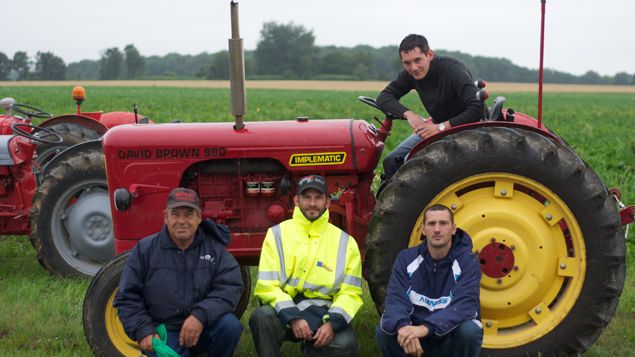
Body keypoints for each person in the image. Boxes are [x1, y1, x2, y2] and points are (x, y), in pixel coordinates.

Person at [114, 187, 243, 357]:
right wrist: (143, 330)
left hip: (202, 325)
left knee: (230, 325)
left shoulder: (215, 250)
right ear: (166, 217)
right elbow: (126, 297)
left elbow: (230, 287)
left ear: (199, 217)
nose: (182, 221)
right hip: (164, 331)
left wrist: (200, 315)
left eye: (188, 214)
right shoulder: (144, 250)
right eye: (175, 214)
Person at [249, 174, 363, 356]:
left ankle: (314, 346)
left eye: (318, 198)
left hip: (324, 311)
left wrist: (332, 324)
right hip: (285, 310)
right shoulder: (276, 234)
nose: (312, 203)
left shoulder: (346, 242)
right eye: (307, 197)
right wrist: (293, 317)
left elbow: (351, 293)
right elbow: (267, 286)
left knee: (344, 344)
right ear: (296, 200)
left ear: (327, 202)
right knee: (262, 317)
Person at [375, 204, 482, 357]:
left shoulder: (468, 261)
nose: (437, 229)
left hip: (449, 338)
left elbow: (465, 305)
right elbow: (395, 299)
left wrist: (425, 328)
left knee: (470, 330)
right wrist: (404, 327)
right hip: (417, 342)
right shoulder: (406, 258)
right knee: (385, 330)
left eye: (443, 223)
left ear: (453, 229)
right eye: (431, 224)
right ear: (424, 230)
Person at [377, 34, 481, 180]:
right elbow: (384, 97)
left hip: (465, 128)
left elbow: (477, 108)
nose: (414, 68)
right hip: (437, 128)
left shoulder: (452, 70)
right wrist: (409, 115)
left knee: (409, 164)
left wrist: (440, 128)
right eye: (407, 63)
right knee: (392, 161)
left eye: (418, 60)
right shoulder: (410, 74)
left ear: (430, 54)